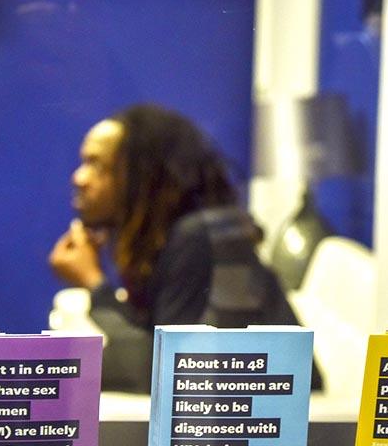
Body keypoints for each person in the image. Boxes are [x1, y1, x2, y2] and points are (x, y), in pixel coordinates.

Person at [49, 103, 321, 393]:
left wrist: (93, 282)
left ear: (145, 176)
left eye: (98, 165)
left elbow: (164, 375)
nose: (79, 178)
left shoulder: (199, 238)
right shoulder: (181, 235)